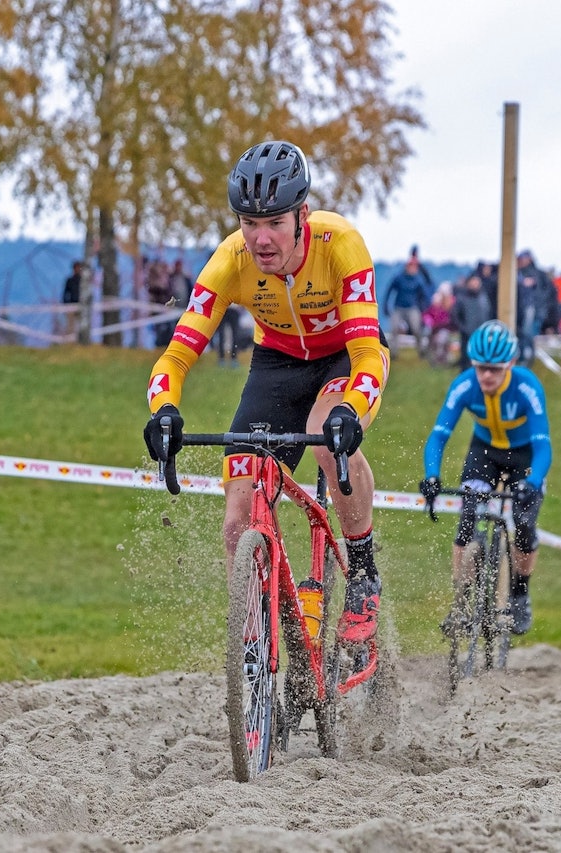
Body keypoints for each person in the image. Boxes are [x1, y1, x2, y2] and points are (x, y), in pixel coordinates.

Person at [142, 139, 388, 644]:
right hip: (276, 363)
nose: (261, 239)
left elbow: (366, 354)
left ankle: (363, 574)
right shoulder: (230, 261)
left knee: (324, 435)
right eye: (248, 223)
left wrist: (351, 408)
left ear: (302, 214)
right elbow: (175, 357)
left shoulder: (339, 244)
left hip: (345, 354)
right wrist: (164, 410)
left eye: (274, 222)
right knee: (237, 521)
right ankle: (269, 642)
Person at [420, 321, 551, 636]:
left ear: (510, 365)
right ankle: (461, 601)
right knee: (467, 519)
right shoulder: (465, 386)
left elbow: (543, 446)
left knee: (523, 523)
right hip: (485, 452)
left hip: (524, 457)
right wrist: (432, 477)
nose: (486, 376)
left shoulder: (527, 387)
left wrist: (531, 486)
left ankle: (520, 594)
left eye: (494, 369)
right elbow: (438, 437)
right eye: (480, 369)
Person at [383, 256, 431, 356]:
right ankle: (393, 352)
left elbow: (424, 295)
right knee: (394, 328)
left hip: (412, 307)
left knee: (416, 329)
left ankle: (421, 350)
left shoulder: (418, 279)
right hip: (398, 307)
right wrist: (386, 305)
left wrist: (423, 308)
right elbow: (389, 291)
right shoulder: (399, 278)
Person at [61, 260, 84, 339]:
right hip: (71, 306)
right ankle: (70, 342)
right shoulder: (70, 280)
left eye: (79, 268)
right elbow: (65, 294)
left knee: (82, 326)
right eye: (76, 268)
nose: (77, 269)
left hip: (81, 306)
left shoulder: (84, 281)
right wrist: (66, 305)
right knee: (70, 327)